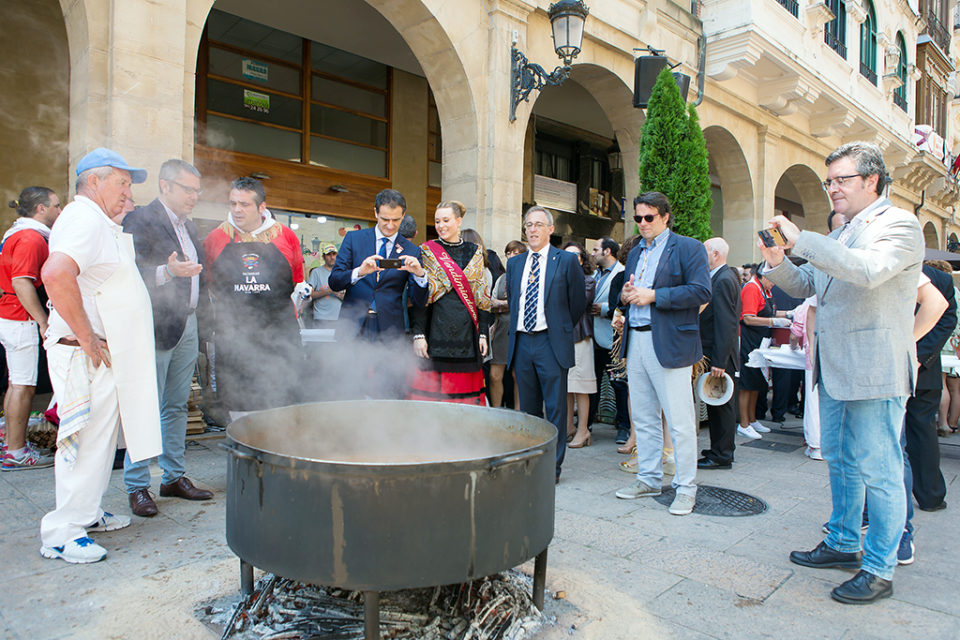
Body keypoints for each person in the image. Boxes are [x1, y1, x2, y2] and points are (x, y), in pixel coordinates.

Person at [761, 141, 924, 604]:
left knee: (880, 470)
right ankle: (843, 542)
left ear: (871, 180)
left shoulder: (899, 224)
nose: (831, 188)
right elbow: (810, 284)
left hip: (874, 370)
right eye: (828, 180)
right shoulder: (842, 233)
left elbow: (869, 271)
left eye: (840, 180)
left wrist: (803, 240)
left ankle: (879, 568)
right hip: (834, 367)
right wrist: (777, 261)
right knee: (841, 459)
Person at [39, 147, 162, 563]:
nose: (129, 193)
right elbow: (56, 273)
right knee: (84, 442)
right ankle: (62, 531)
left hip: (103, 355)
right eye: (123, 182)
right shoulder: (82, 218)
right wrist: (87, 337)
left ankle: (86, 512)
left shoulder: (101, 222)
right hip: (84, 354)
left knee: (100, 441)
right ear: (94, 181)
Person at [120, 159, 213, 517]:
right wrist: (166, 272)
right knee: (146, 406)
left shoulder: (188, 226)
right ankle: (137, 484)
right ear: (165, 186)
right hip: (156, 325)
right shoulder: (140, 220)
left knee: (176, 406)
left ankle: (173, 477)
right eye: (188, 189)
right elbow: (126, 273)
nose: (194, 196)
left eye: (197, 190)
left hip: (187, 324)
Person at [614, 192, 711, 516]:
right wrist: (626, 296)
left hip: (669, 343)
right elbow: (631, 292)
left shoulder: (688, 248)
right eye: (638, 218)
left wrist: (654, 295)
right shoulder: (635, 252)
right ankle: (649, 478)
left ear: (666, 216)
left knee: (680, 420)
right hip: (637, 339)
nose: (642, 224)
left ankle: (686, 488)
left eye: (649, 217)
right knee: (642, 417)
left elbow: (701, 291)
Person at [203, 177, 306, 416]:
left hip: (279, 334)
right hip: (234, 338)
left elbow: (296, 280)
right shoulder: (215, 238)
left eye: (244, 204)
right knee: (239, 408)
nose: (237, 210)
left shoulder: (286, 236)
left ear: (261, 207)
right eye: (233, 203)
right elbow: (210, 285)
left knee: (282, 404)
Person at [506, 206, 586, 483]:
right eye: (529, 225)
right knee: (528, 409)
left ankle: (552, 468)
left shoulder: (565, 261)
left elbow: (576, 303)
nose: (533, 230)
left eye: (539, 224)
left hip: (550, 343)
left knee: (555, 408)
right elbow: (514, 302)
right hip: (522, 343)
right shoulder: (515, 264)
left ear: (551, 229)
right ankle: (531, 461)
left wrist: (560, 328)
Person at [0, 187, 60, 470]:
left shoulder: (16, 232)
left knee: (16, 384)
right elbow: (21, 282)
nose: (59, 212)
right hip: (20, 317)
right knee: (23, 387)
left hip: (11, 316)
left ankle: (12, 443)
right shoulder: (31, 238)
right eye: (56, 206)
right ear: (40, 209)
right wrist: (42, 320)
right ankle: (16, 452)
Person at [409, 202, 492, 405]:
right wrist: (419, 334)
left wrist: (483, 333)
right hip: (435, 329)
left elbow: (481, 297)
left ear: (458, 221)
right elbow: (420, 298)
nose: (441, 225)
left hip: (467, 333)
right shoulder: (428, 251)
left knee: (464, 399)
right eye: (437, 221)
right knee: (433, 399)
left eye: (446, 220)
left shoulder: (475, 251)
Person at [329, 189, 427, 340]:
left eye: (396, 220)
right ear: (375, 212)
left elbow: (418, 302)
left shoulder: (411, 250)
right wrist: (359, 272)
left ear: (403, 214)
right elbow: (335, 282)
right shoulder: (354, 239)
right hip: (352, 326)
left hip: (390, 331)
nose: (390, 225)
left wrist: (420, 275)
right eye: (385, 219)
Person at [904, 261, 954, 512]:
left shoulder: (938, 279)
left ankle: (930, 494)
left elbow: (947, 320)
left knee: (922, 433)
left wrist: (919, 357)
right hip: (889, 365)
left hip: (923, 371)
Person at [697, 237, 741, 470]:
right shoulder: (722, 277)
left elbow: (726, 323)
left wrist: (720, 361)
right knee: (717, 403)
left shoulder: (723, 280)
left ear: (715, 254)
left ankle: (722, 454)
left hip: (718, 355)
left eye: (704, 251)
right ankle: (718, 450)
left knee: (721, 404)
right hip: (717, 353)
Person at [737, 269, 789, 439]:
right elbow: (748, 318)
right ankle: (743, 423)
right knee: (747, 382)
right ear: (762, 276)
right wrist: (773, 321)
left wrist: (789, 314)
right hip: (748, 340)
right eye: (772, 280)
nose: (774, 284)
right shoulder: (752, 288)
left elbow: (769, 312)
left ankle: (752, 420)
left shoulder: (765, 289)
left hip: (760, 340)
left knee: (758, 381)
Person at [588, 237, 629, 445]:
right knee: (591, 383)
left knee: (618, 384)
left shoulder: (621, 274)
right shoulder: (594, 274)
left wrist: (604, 309)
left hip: (613, 340)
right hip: (593, 339)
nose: (592, 253)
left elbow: (623, 306)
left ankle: (623, 427)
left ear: (607, 252)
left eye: (596, 249)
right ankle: (586, 424)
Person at [561, 241, 596, 447]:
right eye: (567, 256)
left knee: (581, 386)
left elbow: (577, 304)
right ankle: (568, 427)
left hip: (580, 337)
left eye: (576, 255)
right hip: (562, 338)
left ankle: (583, 430)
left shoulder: (587, 281)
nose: (572, 259)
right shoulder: (557, 278)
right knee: (566, 386)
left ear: (582, 260)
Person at [489, 240, 525, 408]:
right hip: (501, 329)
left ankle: (518, 412)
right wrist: (507, 304)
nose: (510, 256)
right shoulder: (502, 277)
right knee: (495, 375)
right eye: (508, 253)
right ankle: (496, 411)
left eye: (515, 253)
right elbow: (490, 302)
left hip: (520, 329)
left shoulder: (528, 276)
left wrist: (503, 304)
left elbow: (523, 303)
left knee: (519, 376)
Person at [307, 243, 343, 328]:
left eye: (334, 254)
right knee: (320, 341)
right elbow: (310, 295)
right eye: (328, 254)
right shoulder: (316, 272)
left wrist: (336, 293)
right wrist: (328, 291)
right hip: (320, 318)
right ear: (323, 257)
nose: (332, 257)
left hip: (339, 318)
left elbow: (349, 297)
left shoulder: (342, 273)